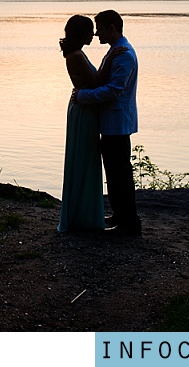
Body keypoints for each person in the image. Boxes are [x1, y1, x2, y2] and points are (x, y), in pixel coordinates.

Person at [73, 9, 141, 236]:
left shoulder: (123, 54)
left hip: (117, 123)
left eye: (100, 28)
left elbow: (113, 90)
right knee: (114, 173)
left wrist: (82, 96)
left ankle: (129, 223)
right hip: (112, 123)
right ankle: (121, 216)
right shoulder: (116, 51)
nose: (96, 33)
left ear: (112, 28)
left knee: (119, 174)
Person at [57, 15, 122, 232]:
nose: (94, 35)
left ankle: (87, 213)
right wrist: (111, 58)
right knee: (84, 160)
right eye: (90, 31)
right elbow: (96, 82)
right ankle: (82, 217)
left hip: (86, 110)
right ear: (80, 33)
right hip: (83, 112)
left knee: (87, 161)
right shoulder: (75, 56)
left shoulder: (78, 53)